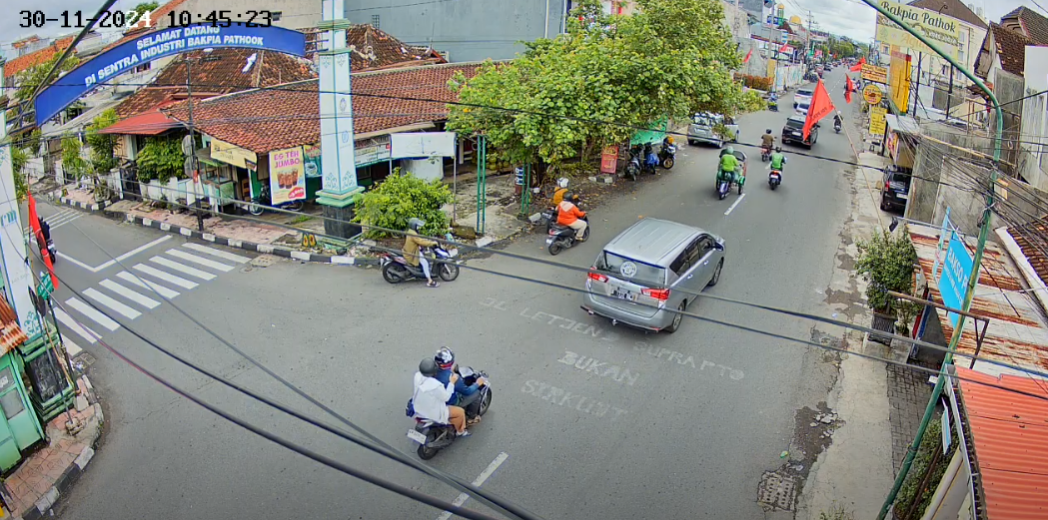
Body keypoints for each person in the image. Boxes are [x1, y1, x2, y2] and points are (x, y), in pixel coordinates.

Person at [412, 358, 470, 437]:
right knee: (460, 413)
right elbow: (446, 397)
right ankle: (461, 431)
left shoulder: (417, 376)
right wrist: (452, 382)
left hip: (418, 407)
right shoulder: (436, 385)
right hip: (433, 412)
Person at [433, 347, 486, 425]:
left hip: (434, 399)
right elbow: (467, 391)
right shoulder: (454, 378)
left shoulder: (430, 371)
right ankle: (472, 417)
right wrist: (477, 383)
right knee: (476, 393)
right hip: (449, 402)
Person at [403, 218, 439, 288]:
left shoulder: (411, 231)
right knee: (425, 263)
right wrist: (432, 243)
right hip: (413, 253)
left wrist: (428, 240)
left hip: (411, 250)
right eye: (417, 226)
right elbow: (421, 242)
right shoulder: (413, 234)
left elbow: (419, 240)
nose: (418, 227)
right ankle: (430, 281)